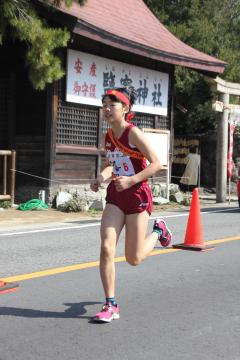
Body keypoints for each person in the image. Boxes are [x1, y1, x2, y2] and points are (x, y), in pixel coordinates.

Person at [90, 87, 172, 323]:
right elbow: (112, 165)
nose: (106, 109)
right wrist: (101, 177)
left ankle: (159, 231)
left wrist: (133, 180)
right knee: (106, 247)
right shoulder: (108, 136)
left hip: (137, 195)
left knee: (133, 259)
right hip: (116, 196)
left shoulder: (133, 133)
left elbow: (157, 163)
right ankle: (111, 304)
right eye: (104, 104)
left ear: (125, 109)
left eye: (111, 105)